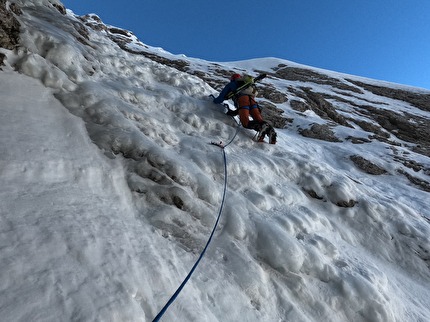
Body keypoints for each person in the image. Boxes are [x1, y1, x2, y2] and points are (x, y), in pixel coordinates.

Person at [213, 73, 276, 144]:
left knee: (245, 122)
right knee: (259, 120)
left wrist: (213, 101)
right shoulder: (247, 85)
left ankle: (262, 128)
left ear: (232, 79)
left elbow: (220, 98)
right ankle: (270, 131)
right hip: (252, 101)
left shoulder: (232, 84)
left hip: (242, 100)